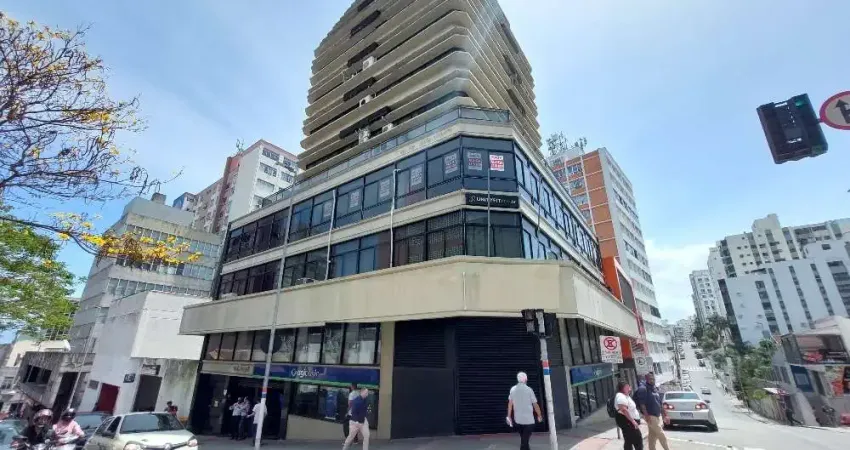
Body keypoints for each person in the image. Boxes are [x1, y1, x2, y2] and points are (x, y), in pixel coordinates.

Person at [506, 372, 543, 450]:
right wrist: (539, 415)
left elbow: (510, 404)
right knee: (524, 441)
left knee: (524, 440)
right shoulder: (529, 390)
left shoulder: (513, 389)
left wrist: (509, 416)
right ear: (526, 379)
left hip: (518, 420)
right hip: (528, 421)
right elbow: (535, 404)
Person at [633, 373, 669, 450]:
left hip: (656, 415)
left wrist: (665, 415)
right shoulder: (643, 389)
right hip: (649, 415)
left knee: (652, 436)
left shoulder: (654, 388)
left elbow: (660, 403)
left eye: (653, 379)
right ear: (646, 379)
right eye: (650, 379)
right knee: (661, 434)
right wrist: (646, 415)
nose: (652, 380)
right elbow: (642, 404)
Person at [614, 382, 643, 450]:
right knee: (638, 440)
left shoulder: (626, 396)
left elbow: (632, 409)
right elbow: (624, 410)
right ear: (622, 388)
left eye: (629, 386)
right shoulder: (620, 396)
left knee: (628, 441)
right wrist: (633, 421)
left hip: (629, 422)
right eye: (627, 387)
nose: (629, 388)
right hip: (628, 422)